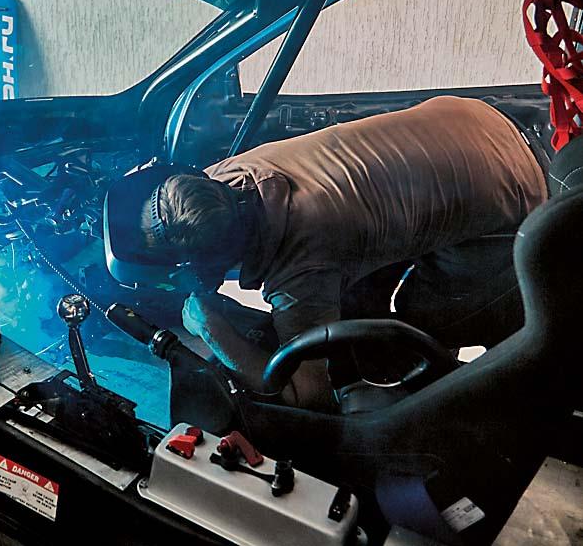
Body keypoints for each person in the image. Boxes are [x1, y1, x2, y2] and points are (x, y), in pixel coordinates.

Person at [139, 96, 549, 410]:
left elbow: (307, 395)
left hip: (515, 194)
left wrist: (210, 327)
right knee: (359, 279)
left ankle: (466, 394)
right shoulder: (225, 176)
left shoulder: (300, 264)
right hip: (477, 118)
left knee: (417, 324)